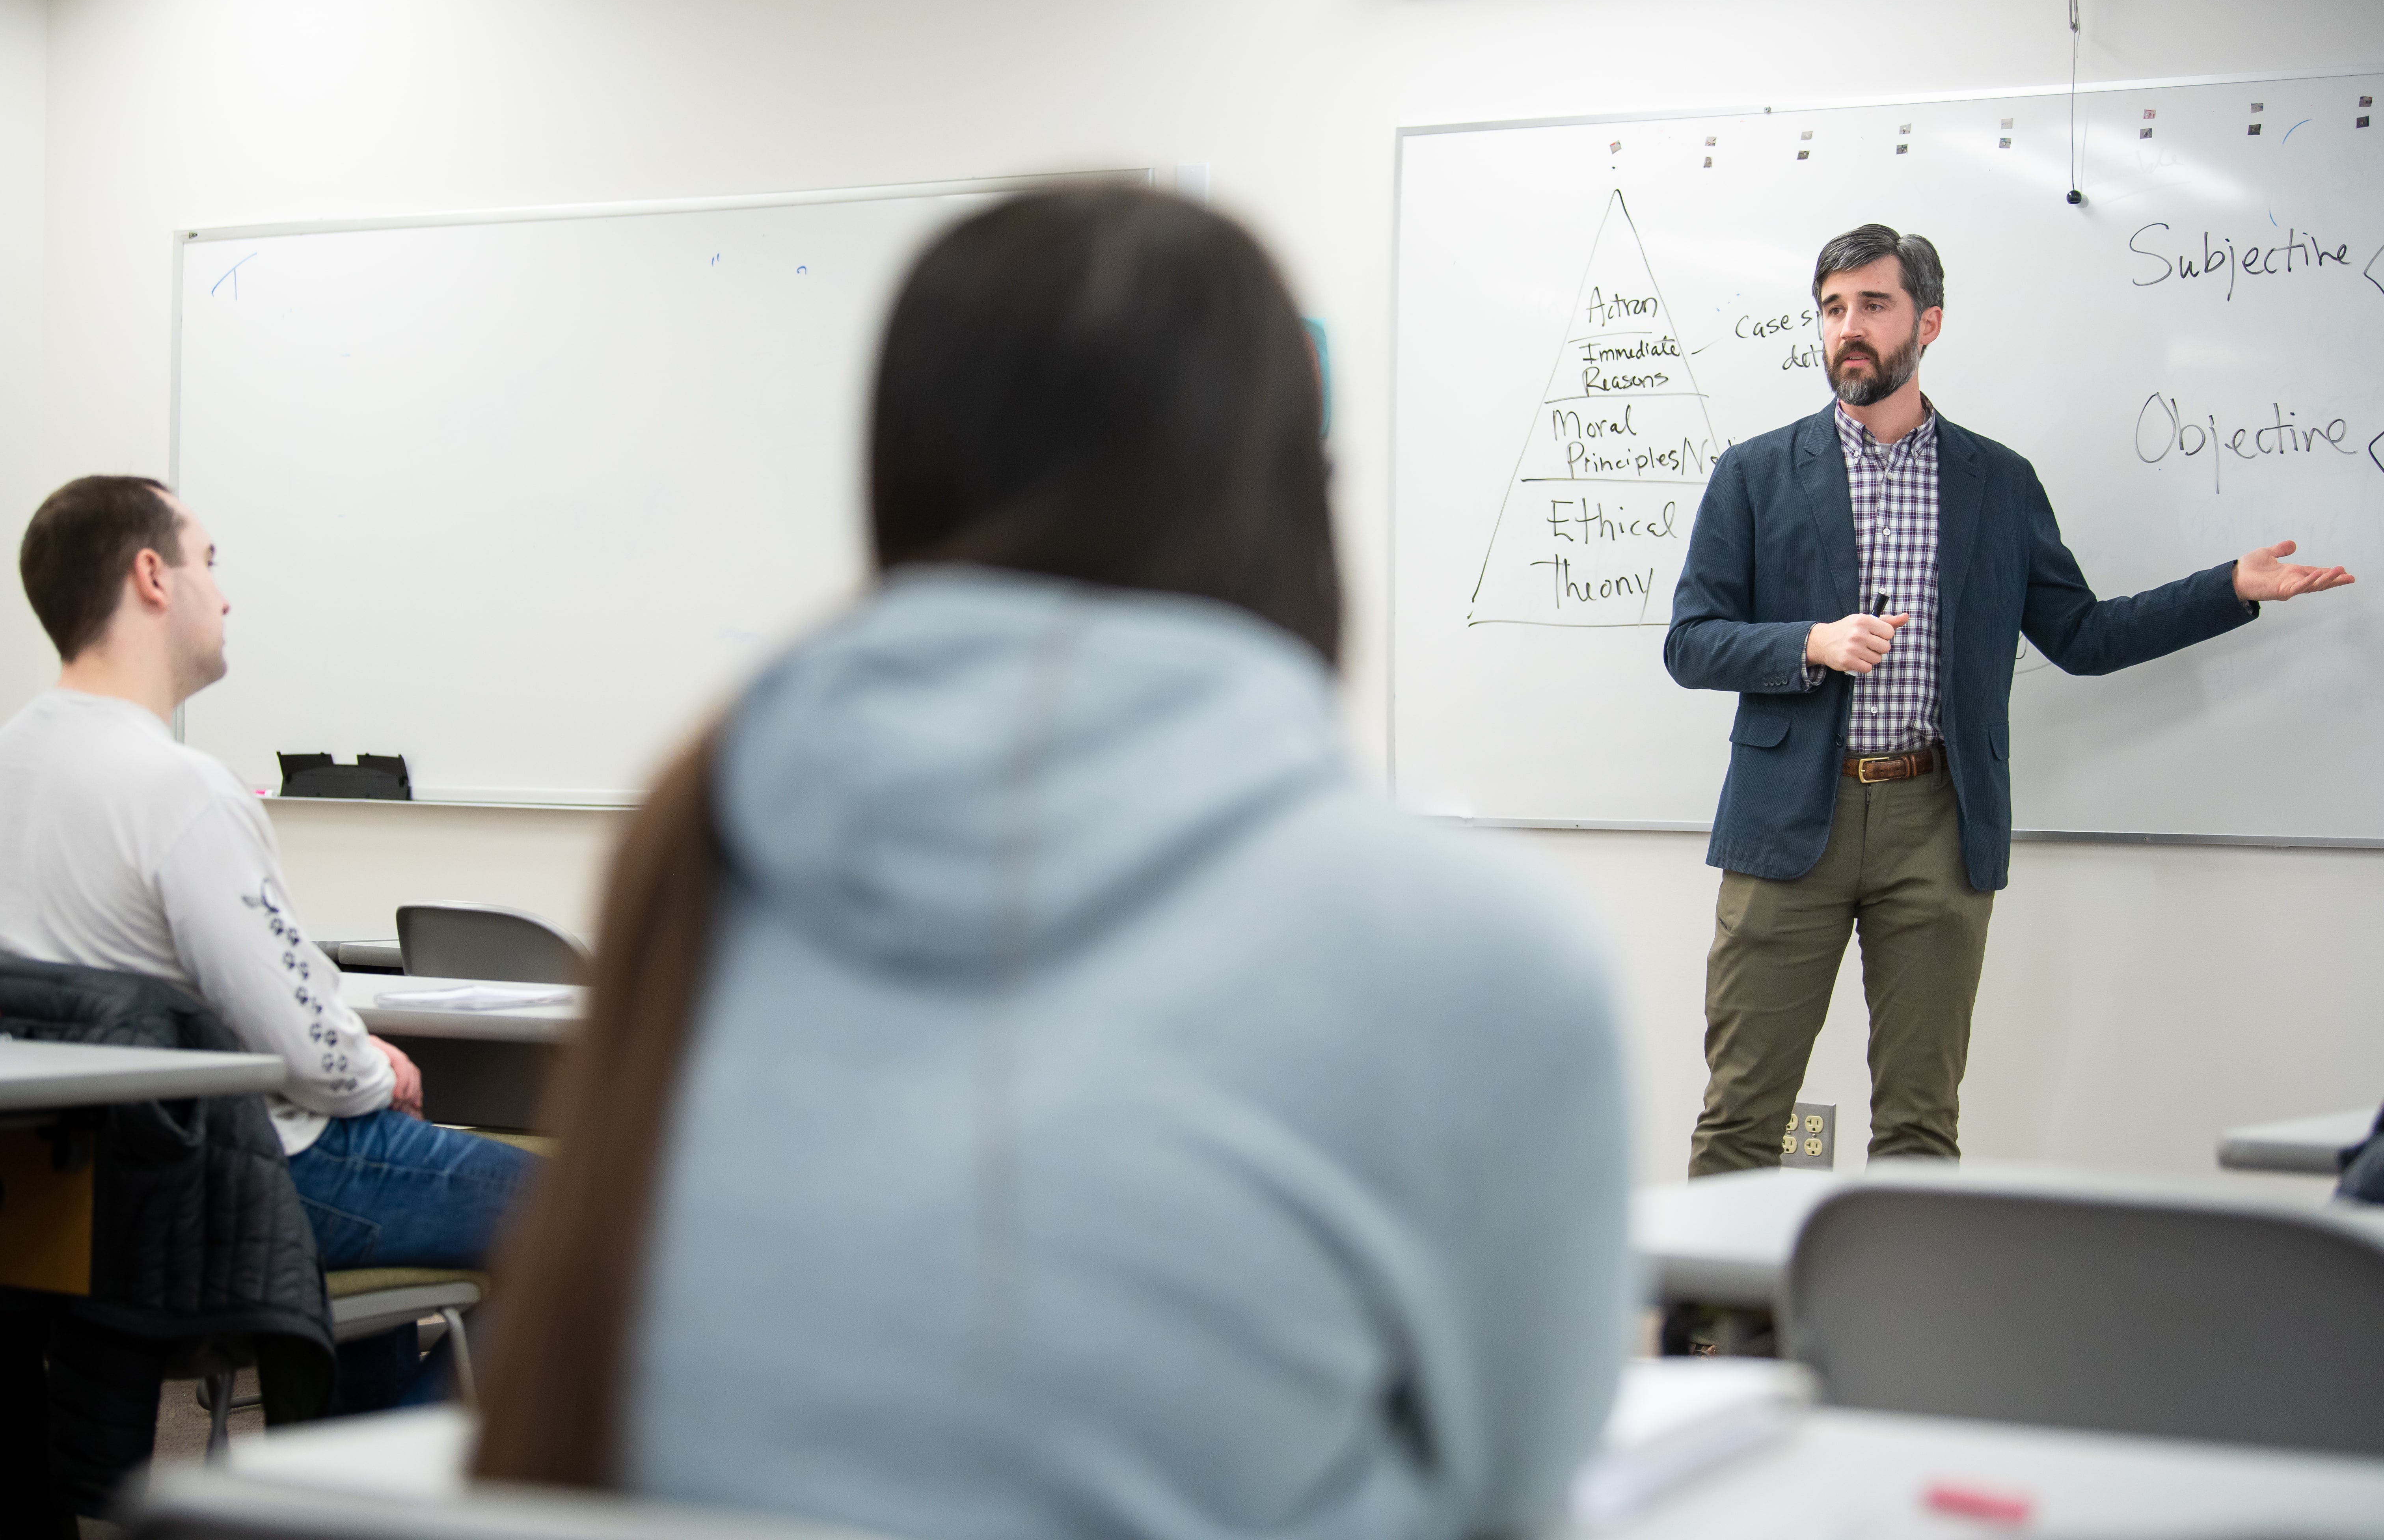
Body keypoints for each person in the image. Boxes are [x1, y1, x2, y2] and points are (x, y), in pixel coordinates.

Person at [475, 186, 1630, 1540]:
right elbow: (1518, 1491)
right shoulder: (1465, 945)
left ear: (897, 480)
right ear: (1293, 495)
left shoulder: (710, 839)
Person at [1665, 223, 2354, 1177]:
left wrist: (2227, 588)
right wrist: (1810, 643)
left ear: (1929, 322)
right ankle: (1710, 1288)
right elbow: (1691, 641)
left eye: (1874, 305)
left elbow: (2085, 635)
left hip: (1938, 821)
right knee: (1743, 1116)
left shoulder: (1997, 481)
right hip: (1786, 824)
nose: (1848, 328)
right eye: (1832, 309)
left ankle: (1902, 1287)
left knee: (1920, 1128)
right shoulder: (1755, 472)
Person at [0, 475, 536, 1406]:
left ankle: (350, 1454)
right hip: (251, 1173)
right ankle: (391, 1465)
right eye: (208, 562)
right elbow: (318, 1064)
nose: (225, 594)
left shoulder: (16, 764)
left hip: (83, 1200)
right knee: (603, 1215)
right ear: (152, 576)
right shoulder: (180, 790)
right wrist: (370, 1066)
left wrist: (347, 1049)